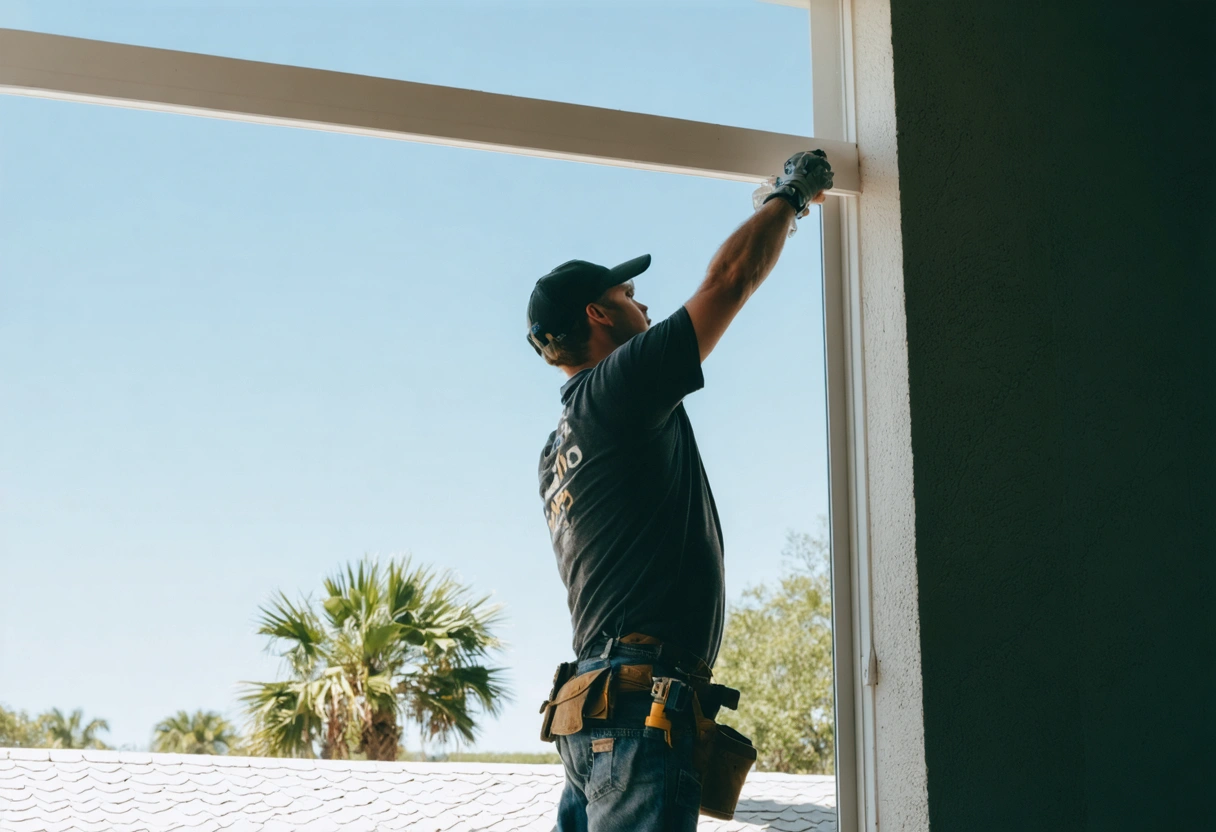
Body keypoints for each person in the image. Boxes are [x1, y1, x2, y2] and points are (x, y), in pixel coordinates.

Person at [527, 150, 833, 832]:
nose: (644, 304)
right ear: (598, 314)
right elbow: (730, 280)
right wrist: (790, 195)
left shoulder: (557, 449)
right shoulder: (619, 389)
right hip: (635, 710)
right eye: (629, 296)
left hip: (596, 710)